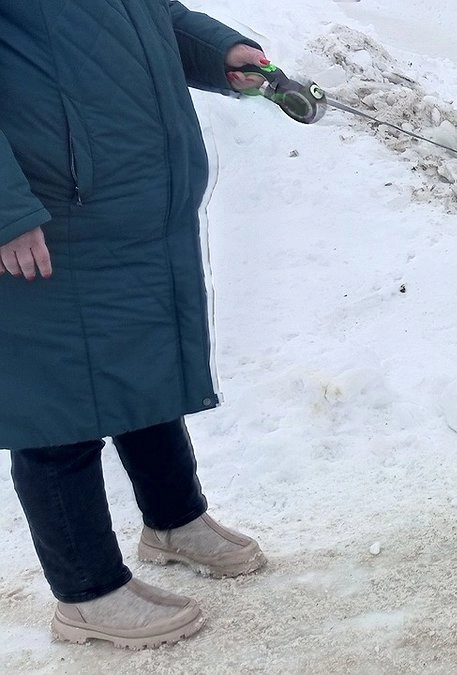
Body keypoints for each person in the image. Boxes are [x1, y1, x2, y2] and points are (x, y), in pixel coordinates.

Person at [1, 2, 276, 649]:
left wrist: (220, 52)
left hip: (129, 201)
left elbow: (152, 16)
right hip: (46, 208)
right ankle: (87, 592)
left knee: (139, 364)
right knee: (57, 401)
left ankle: (174, 520)